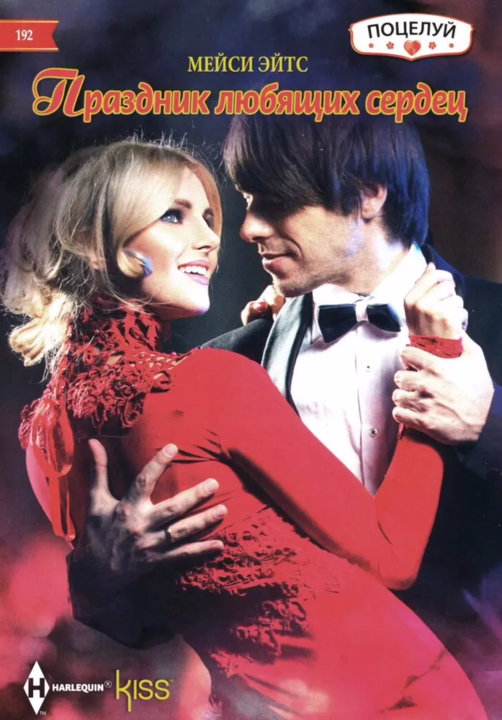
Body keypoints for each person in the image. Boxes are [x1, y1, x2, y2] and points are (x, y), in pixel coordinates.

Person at [3, 138, 486, 719]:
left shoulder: (45, 441)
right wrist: (434, 356)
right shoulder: (216, 378)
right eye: (174, 215)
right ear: (94, 241)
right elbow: (390, 556)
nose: (216, 238)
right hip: (407, 698)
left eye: (208, 217)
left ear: (368, 196)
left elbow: (156, 617)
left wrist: (96, 582)